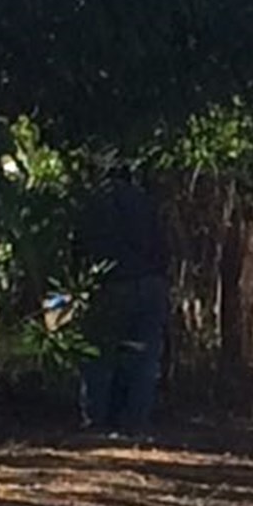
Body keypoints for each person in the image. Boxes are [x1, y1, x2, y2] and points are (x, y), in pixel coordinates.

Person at [75, 163, 171, 435]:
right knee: (143, 356)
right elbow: (163, 246)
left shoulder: (93, 202)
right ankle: (136, 421)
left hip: (111, 285)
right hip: (150, 284)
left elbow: (80, 247)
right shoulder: (146, 202)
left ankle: (97, 420)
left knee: (99, 356)